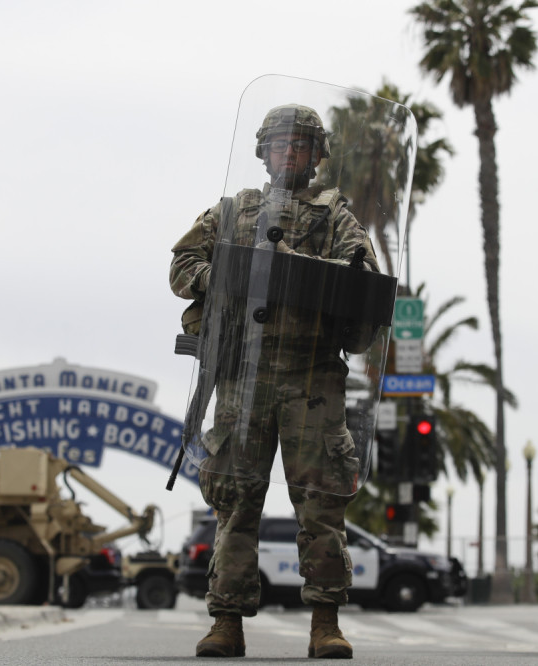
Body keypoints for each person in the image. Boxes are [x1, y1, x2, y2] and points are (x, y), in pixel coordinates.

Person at [169, 104, 380, 659]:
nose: (290, 153)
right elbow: (182, 267)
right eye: (281, 143)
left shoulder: (336, 216)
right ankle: (226, 621)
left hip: (312, 377)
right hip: (245, 376)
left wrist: (302, 270)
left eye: (301, 145)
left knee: (321, 504)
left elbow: (363, 282)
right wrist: (226, 274)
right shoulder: (233, 211)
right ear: (264, 150)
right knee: (235, 503)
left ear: (317, 156)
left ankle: (325, 622)